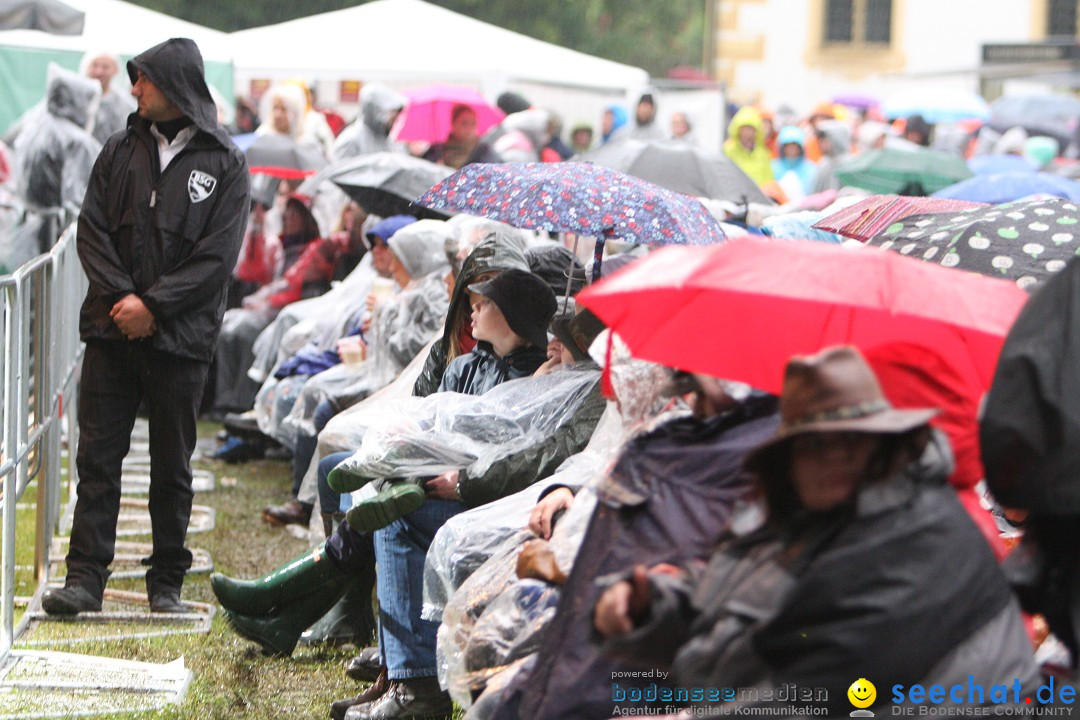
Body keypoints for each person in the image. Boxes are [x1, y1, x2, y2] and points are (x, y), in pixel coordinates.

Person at [591, 346, 1039, 716]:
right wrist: (648, 605)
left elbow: (810, 690)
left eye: (853, 440)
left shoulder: (924, 538)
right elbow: (738, 600)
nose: (833, 458)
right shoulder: (806, 518)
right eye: (813, 445)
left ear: (886, 449)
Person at [41, 38, 249, 615]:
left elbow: (216, 259)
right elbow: (92, 232)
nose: (133, 90)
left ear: (177, 85)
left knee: (172, 464)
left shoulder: (226, 162)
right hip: (111, 332)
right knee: (98, 460)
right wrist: (122, 301)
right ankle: (85, 579)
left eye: (145, 81)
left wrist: (153, 307)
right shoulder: (117, 148)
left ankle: (166, 584)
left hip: (181, 341)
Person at [82, 51, 137, 145]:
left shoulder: (125, 103)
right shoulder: (76, 98)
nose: (99, 72)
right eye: (94, 65)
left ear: (115, 70)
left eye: (105, 67)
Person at [424, 103, 500, 169]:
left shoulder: (483, 151)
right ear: (453, 124)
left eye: (473, 123)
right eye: (464, 123)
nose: (469, 128)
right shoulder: (437, 150)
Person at [723, 106, 774, 187]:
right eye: (744, 128)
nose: (747, 132)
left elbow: (769, 180)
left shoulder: (763, 153)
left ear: (756, 131)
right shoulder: (728, 150)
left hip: (758, 196)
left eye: (750, 128)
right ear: (737, 129)